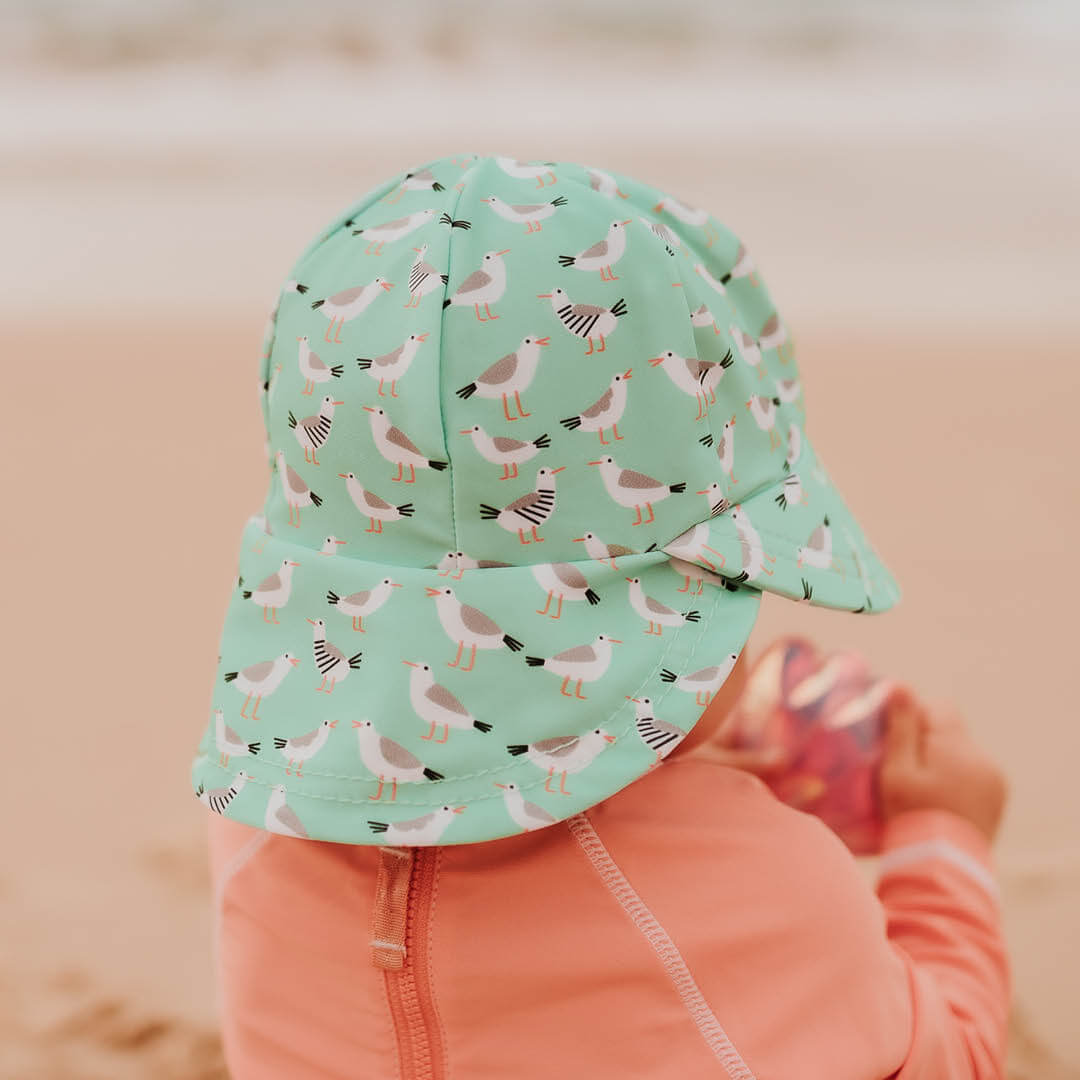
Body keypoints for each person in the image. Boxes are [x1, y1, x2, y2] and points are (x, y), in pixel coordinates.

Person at [193, 153, 1010, 1079]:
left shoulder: (258, 819)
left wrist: (624, 753)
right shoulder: (765, 891)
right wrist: (946, 833)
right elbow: (959, 1057)